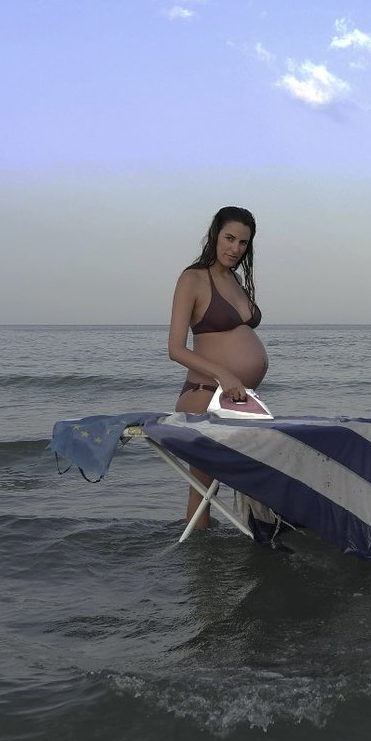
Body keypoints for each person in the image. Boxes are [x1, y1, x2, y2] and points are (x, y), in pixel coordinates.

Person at [167, 206, 267, 527]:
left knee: (209, 492)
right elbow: (175, 349)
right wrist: (223, 373)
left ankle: (211, 546)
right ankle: (199, 557)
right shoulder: (193, 279)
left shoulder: (235, 281)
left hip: (236, 398)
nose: (235, 248)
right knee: (203, 496)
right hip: (205, 393)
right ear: (215, 234)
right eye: (229, 238)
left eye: (242, 243)